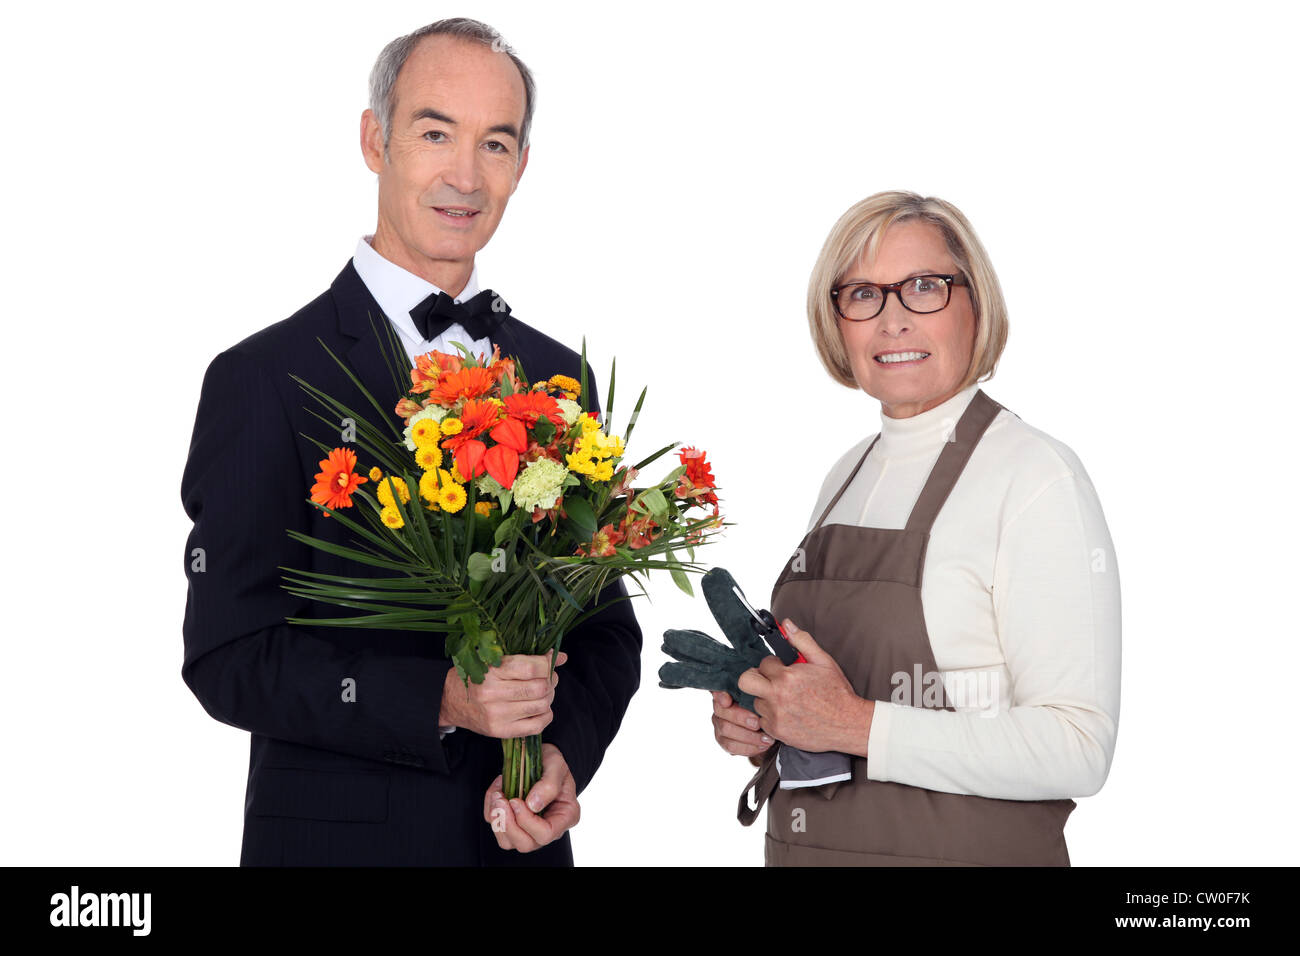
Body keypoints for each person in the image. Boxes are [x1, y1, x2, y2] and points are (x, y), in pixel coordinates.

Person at [180, 18, 642, 866]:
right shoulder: (265, 377)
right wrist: (443, 698)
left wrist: (559, 758)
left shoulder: (555, 377)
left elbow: (607, 632)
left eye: (495, 143)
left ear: (522, 165)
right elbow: (229, 655)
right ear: (374, 139)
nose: (465, 175)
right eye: (435, 133)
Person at [713, 191, 1120, 865]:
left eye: (924, 287)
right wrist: (768, 718)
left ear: (976, 303)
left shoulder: (1035, 478)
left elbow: (1079, 748)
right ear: (836, 319)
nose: (893, 320)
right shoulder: (847, 473)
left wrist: (857, 724)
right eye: (864, 294)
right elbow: (828, 700)